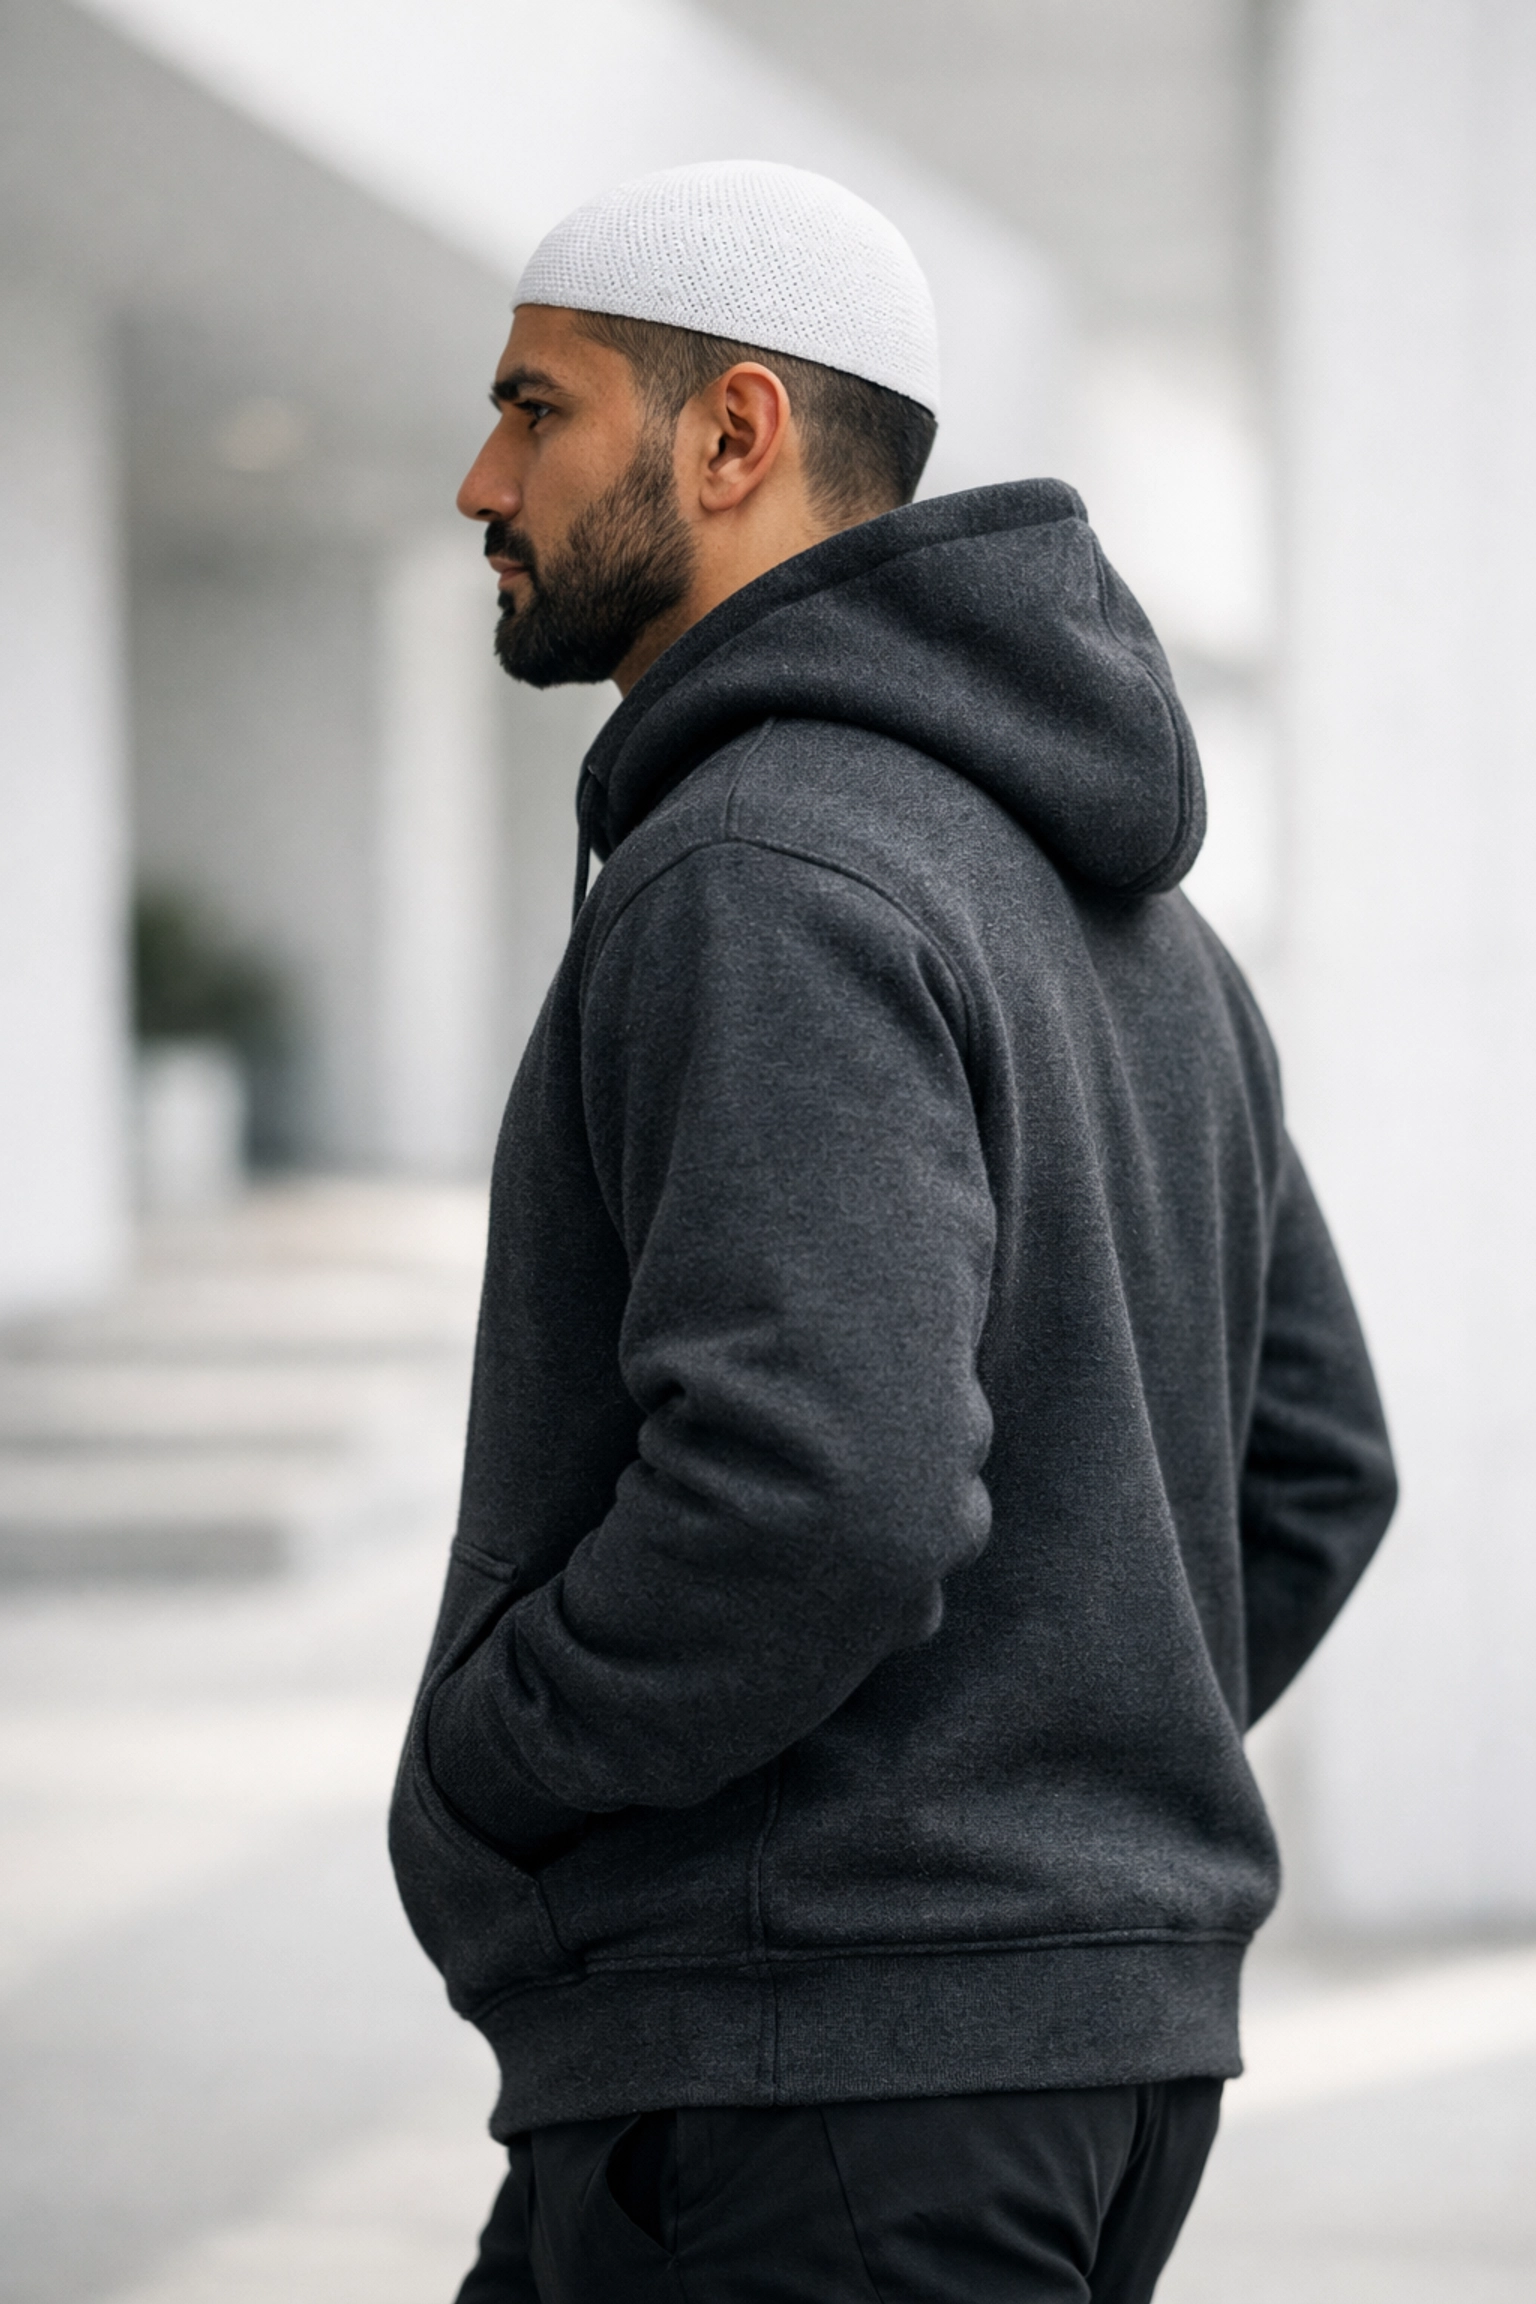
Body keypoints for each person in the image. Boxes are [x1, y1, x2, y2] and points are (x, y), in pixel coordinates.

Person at [389, 159, 1396, 2302]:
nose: (482, 475)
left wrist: (499, 1755)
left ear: (733, 436)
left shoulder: (761, 867)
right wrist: (1060, 1799)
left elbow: (821, 1492)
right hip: (1008, 2077)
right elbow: (1311, 1465)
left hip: (814, 2087)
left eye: (537, 409)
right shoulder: (1142, 922)